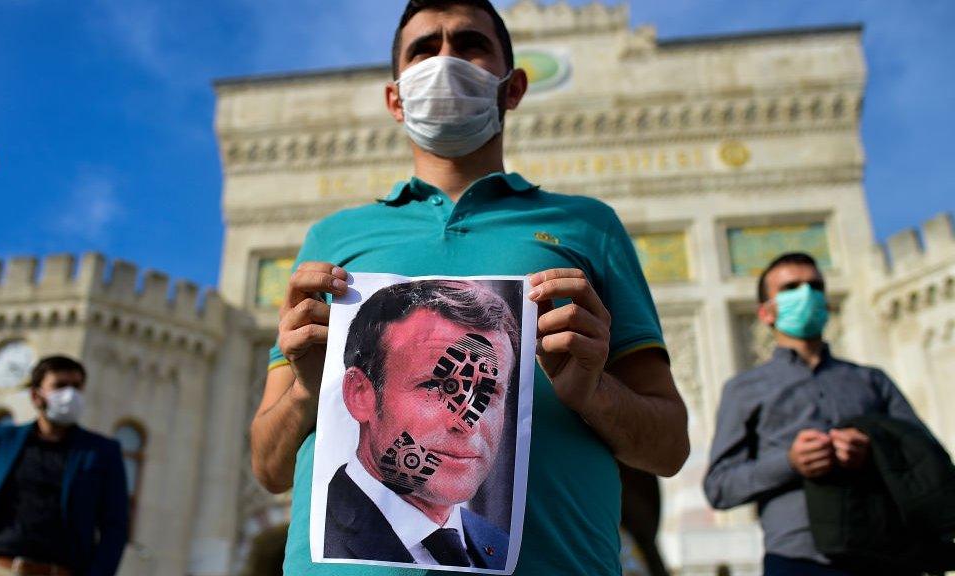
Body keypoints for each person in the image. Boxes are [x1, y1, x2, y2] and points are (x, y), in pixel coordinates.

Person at [250, 1, 690, 574]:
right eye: (424, 48)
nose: (447, 60)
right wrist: (309, 392)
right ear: (395, 97)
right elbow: (268, 466)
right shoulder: (333, 239)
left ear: (513, 87)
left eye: (471, 44)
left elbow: (668, 446)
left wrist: (592, 391)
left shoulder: (588, 227)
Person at [703, 253, 931, 576]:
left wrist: (872, 448)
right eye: (791, 288)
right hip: (798, 558)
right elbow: (720, 487)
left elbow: (924, 455)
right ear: (766, 312)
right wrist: (790, 462)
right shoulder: (744, 389)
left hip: (885, 553)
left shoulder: (871, 380)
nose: (806, 295)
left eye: (815, 286)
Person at [326, 280, 516, 568]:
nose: (468, 421)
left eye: (487, 393)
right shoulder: (319, 530)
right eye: (437, 386)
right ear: (360, 394)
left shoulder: (502, 546)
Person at [0, 356, 129, 576]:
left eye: (77, 386)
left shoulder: (101, 452)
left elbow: (115, 526)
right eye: (60, 386)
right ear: (36, 396)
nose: (70, 394)